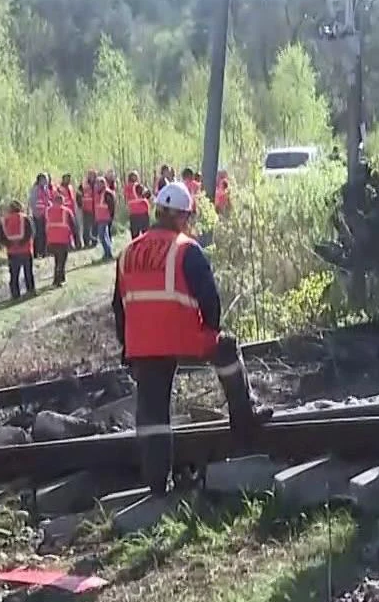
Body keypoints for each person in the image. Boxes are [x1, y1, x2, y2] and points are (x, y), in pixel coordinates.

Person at [112, 182, 267, 493]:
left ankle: (157, 484)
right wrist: (211, 331)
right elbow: (210, 299)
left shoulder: (127, 252)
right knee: (226, 348)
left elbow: (118, 306)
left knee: (153, 415)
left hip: (143, 346)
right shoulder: (186, 248)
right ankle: (244, 417)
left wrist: (128, 348)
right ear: (182, 217)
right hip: (184, 338)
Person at [0, 199, 36, 300]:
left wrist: (10, 244)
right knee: (28, 272)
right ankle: (31, 290)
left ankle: (15, 294)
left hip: (12, 252)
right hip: (26, 250)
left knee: (14, 275)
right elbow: (30, 233)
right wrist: (22, 243)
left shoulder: (5, 221)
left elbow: (1, 238)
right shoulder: (25, 218)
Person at [43, 189, 75, 286]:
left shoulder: (48, 211)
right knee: (61, 261)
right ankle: (59, 280)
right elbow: (73, 226)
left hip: (51, 240)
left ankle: (59, 278)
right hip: (63, 240)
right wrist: (75, 240)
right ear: (62, 201)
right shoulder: (67, 211)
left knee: (57, 260)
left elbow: (45, 225)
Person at [93, 174, 117, 261]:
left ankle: (108, 253)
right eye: (96, 184)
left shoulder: (107, 193)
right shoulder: (98, 194)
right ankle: (108, 253)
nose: (97, 186)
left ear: (103, 184)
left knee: (102, 236)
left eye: (99, 184)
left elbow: (111, 206)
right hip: (100, 218)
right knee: (104, 236)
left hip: (105, 218)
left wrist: (111, 217)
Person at [125, 171, 152, 238]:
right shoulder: (139, 186)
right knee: (145, 235)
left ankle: (136, 248)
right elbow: (148, 194)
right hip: (143, 213)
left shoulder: (126, 188)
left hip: (133, 214)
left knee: (135, 236)